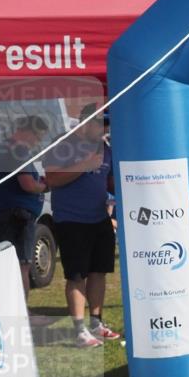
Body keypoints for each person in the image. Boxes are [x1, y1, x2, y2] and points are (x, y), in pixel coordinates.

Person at [43, 104, 120, 348]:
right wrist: (84, 165)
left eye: (105, 124)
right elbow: (52, 179)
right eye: (99, 123)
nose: (103, 128)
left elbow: (108, 182)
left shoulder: (105, 148)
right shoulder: (63, 144)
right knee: (77, 275)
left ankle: (96, 323)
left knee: (99, 271)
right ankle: (79, 330)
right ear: (85, 123)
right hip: (71, 220)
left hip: (99, 218)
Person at [0, 115, 50, 301]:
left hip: (1, 212)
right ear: (27, 131)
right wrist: (45, 186)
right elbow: (28, 184)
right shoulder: (19, 151)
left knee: (12, 264)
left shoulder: (1, 148)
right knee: (22, 265)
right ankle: (22, 313)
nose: (38, 141)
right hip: (16, 216)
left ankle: (15, 308)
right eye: (38, 136)